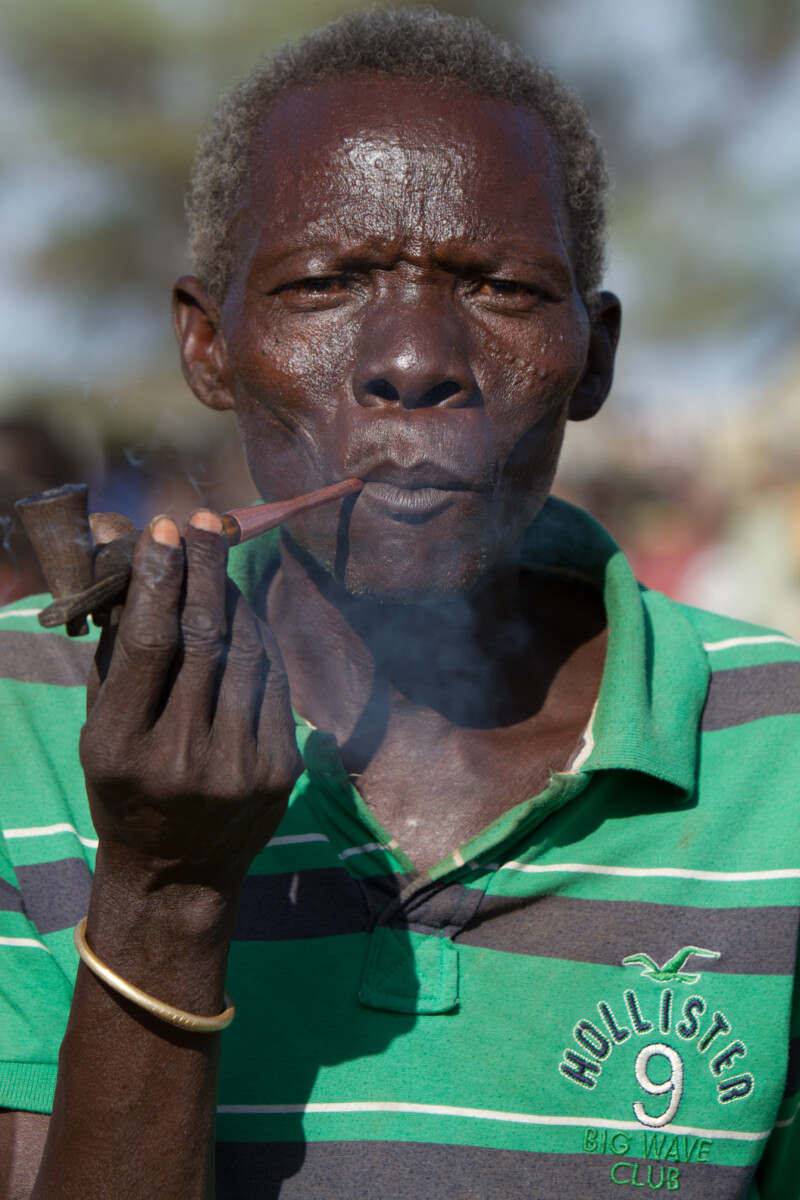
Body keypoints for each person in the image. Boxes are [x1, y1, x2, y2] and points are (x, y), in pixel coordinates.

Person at [0, 10, 798, 1199]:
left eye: (502, 287)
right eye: (325, 283)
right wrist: (161, 895)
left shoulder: (775, 755)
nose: (416, 358)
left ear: (594, 357)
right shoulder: (26, 719)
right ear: (210, 347)